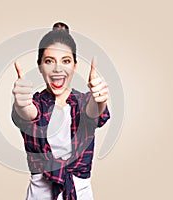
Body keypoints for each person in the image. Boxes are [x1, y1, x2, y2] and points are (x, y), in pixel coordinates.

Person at [11, 22, 110, 200]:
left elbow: (94, 112)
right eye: (49, 61)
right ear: (40, 66)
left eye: (65, 61)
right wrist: (21, 103)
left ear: (74, 66)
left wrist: (99, 99)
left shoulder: (85, 101)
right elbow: (28, 114)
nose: (58, 69)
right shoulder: (35, 103)